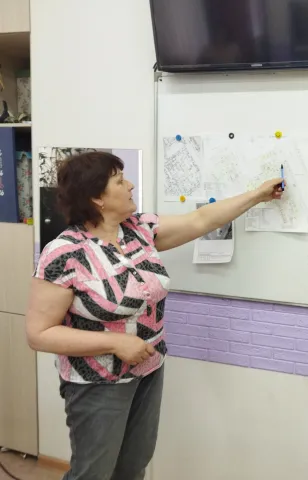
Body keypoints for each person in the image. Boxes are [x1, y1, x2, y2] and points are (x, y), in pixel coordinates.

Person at [25, 151, 284, 480]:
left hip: (149, 369)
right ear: (97, 198)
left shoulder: (139, 230)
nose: (130, 185)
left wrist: (258, 195)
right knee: (93, 473)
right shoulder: (64, 253)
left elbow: (201, 220)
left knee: (133, 467)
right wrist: (116, 343)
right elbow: (39, 333)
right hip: (97, 382)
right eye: (120, 181)